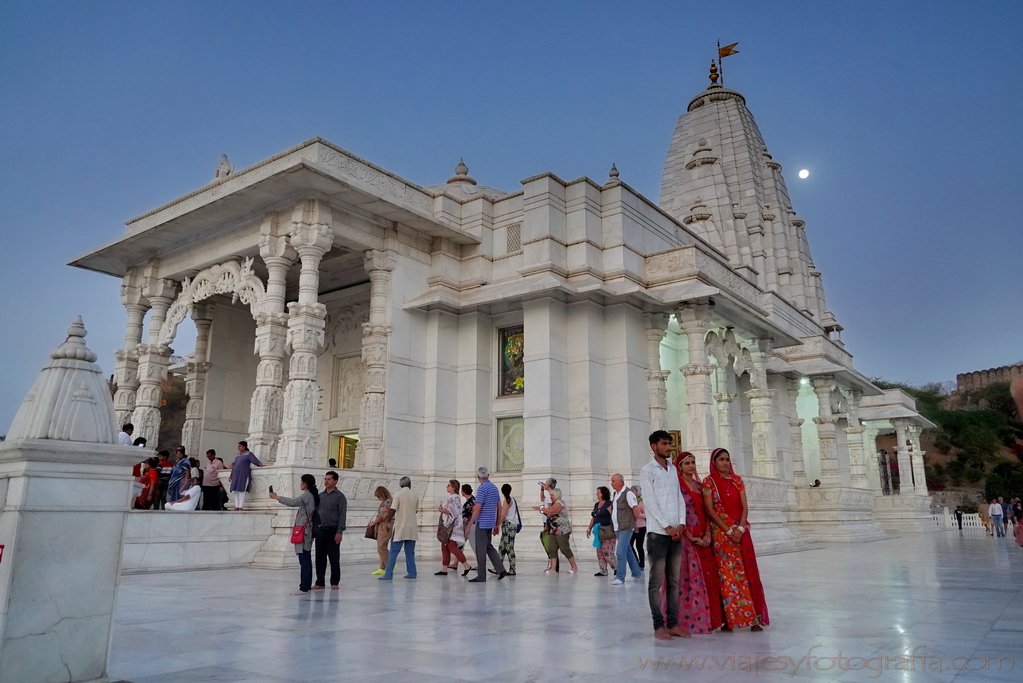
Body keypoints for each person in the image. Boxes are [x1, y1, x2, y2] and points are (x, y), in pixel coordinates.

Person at [703, 447, 769, 632]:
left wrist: (740, 528)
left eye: (727, 459)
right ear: (714, 462)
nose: (725, 463)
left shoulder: (737, 480)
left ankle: (754, 619)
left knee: (748, 573)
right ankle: (729, 620)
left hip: (741, 534)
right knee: (727, 577)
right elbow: (710, 510)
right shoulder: (709, 483)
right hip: (722, 536)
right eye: (721, 459)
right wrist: (728, 530)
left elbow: (744, 507)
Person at [640, 430, 687, 640]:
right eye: (664, 444)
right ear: (653, 446)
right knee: (656, 582)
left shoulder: (673, 470)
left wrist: (682, 523)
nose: (669, 447)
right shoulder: (647, 470)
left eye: (669, 443)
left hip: (676, 532)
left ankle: (673, 623)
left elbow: (679, 497)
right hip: (658, 534)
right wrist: (667, 526)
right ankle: (658, 626)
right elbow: (650, 501)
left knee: (674, 581)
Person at [674, 451, 720, 633]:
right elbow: (676, 511)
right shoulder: (677, 487)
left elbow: (708, 511)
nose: (691, 466)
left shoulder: (700, 487)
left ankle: (709, 619)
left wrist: (708, 535)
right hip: (686, 537)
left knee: (707, 577)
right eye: (687, 463)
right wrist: (688, 535)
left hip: (703, 535)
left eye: (693, 462)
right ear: (680, 467)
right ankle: (687, 620)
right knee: (687, 580)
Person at [269, 474, 318, 594]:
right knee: (306, 558)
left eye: (301, 482)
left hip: (304, 531)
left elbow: (293, 502)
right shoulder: (312, 495)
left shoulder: (307, 495)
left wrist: (277, 497)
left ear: (305, 483)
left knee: (304, 559)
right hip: (308, 530)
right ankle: (306, 584)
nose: (300, 484)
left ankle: (304, 587)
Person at [465, 467, 508, 582]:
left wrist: (469, 526)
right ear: (488, 476)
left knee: (480, 550)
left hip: (482, 523)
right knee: (489, 547)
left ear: (478, 477)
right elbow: (499, 506)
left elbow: (477, 508)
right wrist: (497, 524)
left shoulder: (482, 489)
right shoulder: (494, 488)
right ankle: (501, 569)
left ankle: (481, 575)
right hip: (490, 523)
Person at [314, 471, 347, 590]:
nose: (326, 481)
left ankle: (334, 582)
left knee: (333, 558)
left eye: (329, 479)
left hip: (333, 530)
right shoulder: (320, 496)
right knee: (319, 558)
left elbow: (342, 515)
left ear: (335, 481)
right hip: (320, 530)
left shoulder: (340, 497)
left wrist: (339, 532)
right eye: (325, 479)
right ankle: (320, 582)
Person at [381, 476, 418, 580]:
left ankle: (388, 574)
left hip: (400, 527)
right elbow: (415, 511)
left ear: (400, 485)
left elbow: (392, 510)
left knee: (393, 552)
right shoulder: (415, 495)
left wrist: (387, 521)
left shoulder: (397, 495)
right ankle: (412, 573)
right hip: (412, 528)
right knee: (410, 552)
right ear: (410, 484)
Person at [610, 473, 643, 585]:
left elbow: (636, 509)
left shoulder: (628, 493)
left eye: (614, 481)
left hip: (626, 527)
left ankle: (620, 577)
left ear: (621, 481)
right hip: (617, 528)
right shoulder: (616, 494)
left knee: (620, 552)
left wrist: (634, 523)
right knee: (628, 550)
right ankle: (636, 572)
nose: (612, 483)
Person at [535, 489, 578, 575]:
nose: (550, 497)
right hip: (553, 529)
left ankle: (574, 567)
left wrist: (542, 508)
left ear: (557, 495)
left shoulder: (559, 503)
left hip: (562, 530)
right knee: (552, 549)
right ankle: (553, 569)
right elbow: (549, 515)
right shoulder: (553, 503)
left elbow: (552, 511)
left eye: (552, 495)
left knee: (564, 549)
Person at [436, 479, 470, 576]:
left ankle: (466, 565)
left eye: (449, 485)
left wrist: (442, 510)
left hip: (452, 526)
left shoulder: (454, 498)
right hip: (449, 525)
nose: (447, 487)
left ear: (453, 487)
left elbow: (452, 512)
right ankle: (444, 568)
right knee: (444, 545)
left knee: (451, 546)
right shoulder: (453, 497)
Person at [585, 486, 616, 577]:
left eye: (598, 493)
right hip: (598, 531)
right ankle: (603, 571)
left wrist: (615, 529)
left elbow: (614, 516)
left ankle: (616, 568)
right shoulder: (596, 505)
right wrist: (589, 528)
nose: (596, 494)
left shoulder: (609, 504)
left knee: (607, 551)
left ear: (603, 493)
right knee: (599, 552)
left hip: (608, 531)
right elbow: (594, 518)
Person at [228, 441, 262, 510]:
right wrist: (231, 475)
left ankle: (240, 507)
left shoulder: (249, 454)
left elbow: (255, 460)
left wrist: (260, 464)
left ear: (244, 446)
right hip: (236, 475)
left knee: (241, 490)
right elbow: (234, 466)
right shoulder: (238, 455)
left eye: (240, 446)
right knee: (235, 491)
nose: (238, 447)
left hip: (243, 475)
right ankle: (236, 506)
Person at [367, 486, 393, 576]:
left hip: (385, 526)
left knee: (381, 547)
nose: (378, 498)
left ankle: (390, 564)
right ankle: (382, 568)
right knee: (382, 546)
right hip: (382, 526)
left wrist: (373, 523)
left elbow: (383, 516)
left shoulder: (387, 502)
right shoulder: (385, 502)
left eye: (378, 496)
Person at [538, 478, 560, 574]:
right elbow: (542, 499)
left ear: (550, 484)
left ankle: (553, 566)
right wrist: (542, 490)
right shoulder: (548, 496)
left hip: (549, 523)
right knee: (549, 544)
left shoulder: (552, 496)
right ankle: (553, 565)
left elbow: (551, 511)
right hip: (546, 522)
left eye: (546, 483)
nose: (544, 484)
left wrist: (547, 523)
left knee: (550, 545)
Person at [498, 483, 520, 576]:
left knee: (509, 547)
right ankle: (498, 567)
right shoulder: (513, 499)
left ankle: (512, 569)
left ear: (502, 491)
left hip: (508, 525)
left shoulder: (506, 501)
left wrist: (497, 524)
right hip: (513, 525)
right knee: (502, 547)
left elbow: (503, 515)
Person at [460, 483, 477, 575]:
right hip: (467, 525)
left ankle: (480, 562)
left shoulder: (472, 501)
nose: (461, 492)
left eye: (462, 490)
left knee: (473, 544)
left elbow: (474, 513)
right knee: (461, 544)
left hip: (470, 526)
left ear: (465, 491)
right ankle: (456, 562)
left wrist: (468, 526)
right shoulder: (470, 500)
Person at [630, 485, 647, 569]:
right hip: (632, 527)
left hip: (641, 526)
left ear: (637, 492)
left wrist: (638, 514)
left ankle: (642, 564)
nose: (632, 492)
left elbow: (646, 514)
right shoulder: (630, 502)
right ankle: (636, 561)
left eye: (633, 491)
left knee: (639, 546)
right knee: (629, 545)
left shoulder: (641, 502)